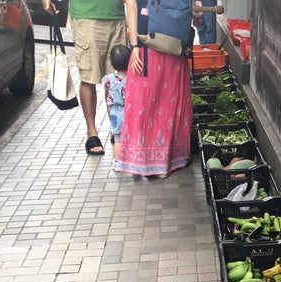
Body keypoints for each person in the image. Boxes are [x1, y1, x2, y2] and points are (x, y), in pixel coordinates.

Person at [117, 0, 224, 179]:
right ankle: (169, 159)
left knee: (143, 102)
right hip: (175, 46)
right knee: (170, 103)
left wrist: (134, 45)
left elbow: (132, 5)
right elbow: (193, 10)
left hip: (148, 46)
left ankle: (143, 161)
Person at [42, 0, 126, 156]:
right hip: (86, 14)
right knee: (89, 77)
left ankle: (116, 130)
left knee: (115, 80)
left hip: (116, 14)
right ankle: (92, 133)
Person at [102, 45, 130, 171]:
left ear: (113, 63)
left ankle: (118, 162)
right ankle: (131, 160)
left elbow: (106, 88)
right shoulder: (132, 79)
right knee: (131, 138)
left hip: (115, 113)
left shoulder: (109, 79)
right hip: (129, 112)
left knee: (117, 139)